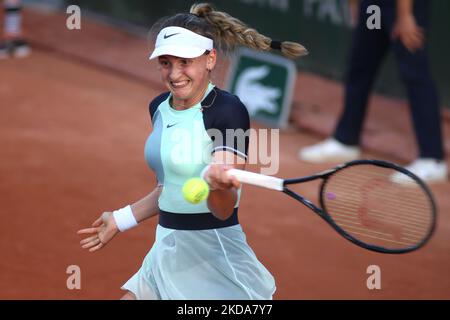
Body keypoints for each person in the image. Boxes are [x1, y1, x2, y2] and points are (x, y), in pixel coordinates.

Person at [77, 3, 307, 300]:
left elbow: (223, 210)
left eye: (185, 62)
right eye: (166, 63)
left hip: (212, 257)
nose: (175, 74)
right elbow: (168, 188)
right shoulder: (159, 107)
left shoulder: (228, 111)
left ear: (210, 59)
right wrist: (121, 219)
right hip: (168, 247)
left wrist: (218, 185)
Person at [299, 0, 447, 183]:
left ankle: (432, 160)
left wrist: (405, 15)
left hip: (404, 8)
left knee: (414, 73)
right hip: (374, 8)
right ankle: (346, 140)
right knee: (361, 65)